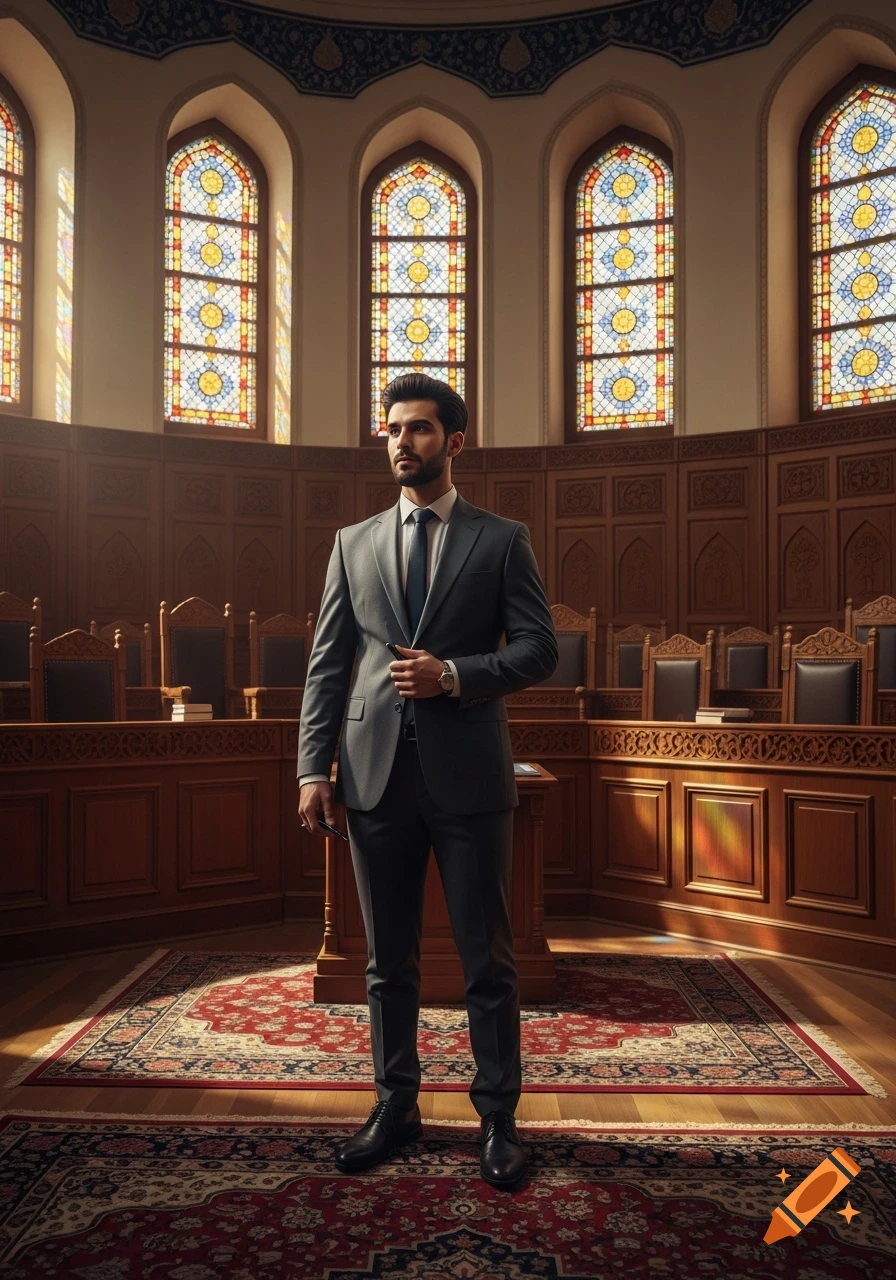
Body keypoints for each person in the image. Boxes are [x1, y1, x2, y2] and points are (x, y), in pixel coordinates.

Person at [297, 372, 558, 1189]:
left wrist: (455, 674)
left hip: (470, 779)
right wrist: (312, 767)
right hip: (373, 779)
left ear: (455, 440)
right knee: (387, 962)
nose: (401, 442)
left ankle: (499, 1120)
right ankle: (394, 1104)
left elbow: (539, 650)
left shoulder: (502, 537)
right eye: (393, 430)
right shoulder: (353, 542)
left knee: (488, 958)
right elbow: (328, 666)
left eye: (417, 429)